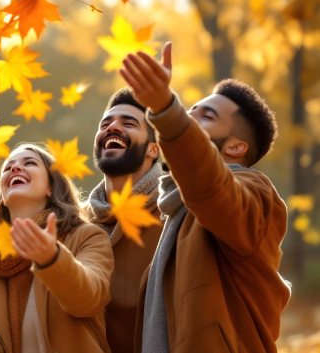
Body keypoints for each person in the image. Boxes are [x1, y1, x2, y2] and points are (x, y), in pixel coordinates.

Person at [120, 43, 291, 352]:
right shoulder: (176, 213)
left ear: (237, 147)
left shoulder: (253, 192)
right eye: (189, 111)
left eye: (206, 117)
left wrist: (165, 109)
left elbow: (212, 188)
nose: (188, 117)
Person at [0, 143, 114, 353]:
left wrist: (52, 259)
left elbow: (89, 301)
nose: (15, 168)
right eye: (8, 167)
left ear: (51, 187)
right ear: (2, 196)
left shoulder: (87, 236)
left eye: (30, 163)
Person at [85, 87, 164, 353]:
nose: (112, 127)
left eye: (128, 123)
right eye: (105, 124)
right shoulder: (77, 222)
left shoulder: (175, 215)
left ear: (153, 149)